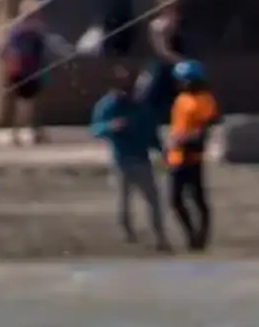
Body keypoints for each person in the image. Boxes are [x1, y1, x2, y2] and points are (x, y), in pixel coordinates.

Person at [88, 65, 171, 251]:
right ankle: (128, 233)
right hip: (121, 161)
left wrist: (162, 151)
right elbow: (95, 128)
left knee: (154, 200)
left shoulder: (142, 107)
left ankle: (160, 236)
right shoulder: (108, 105)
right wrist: (110, 126)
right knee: (123, 200)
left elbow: (151, 132)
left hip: (142, 160)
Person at [165, 59, 218, 251]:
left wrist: (183, 140)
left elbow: (202, 131)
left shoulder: (204, 100)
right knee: (174, 200)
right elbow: (177, 127)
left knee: (197, 198)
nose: (182, 84)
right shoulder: (181, 99)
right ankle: (191, 234)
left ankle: (201, 237)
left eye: (185, 80)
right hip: (175, 156)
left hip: (192, 156)